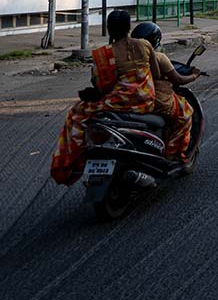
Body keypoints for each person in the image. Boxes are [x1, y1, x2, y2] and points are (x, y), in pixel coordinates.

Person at [50, 10, 158, 185]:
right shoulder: (144, 45)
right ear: (129, 27)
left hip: (119, 103)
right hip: (146, 101)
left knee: (77, 112)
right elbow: (156, 72)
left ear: (108, 29)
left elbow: (101, 86)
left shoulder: (103, 54)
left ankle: (69, 164)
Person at [131, 22, 199, 162]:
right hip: (158, 100)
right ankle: (172, 152)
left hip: (131, 99)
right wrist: (194, 76)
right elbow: (178, 79)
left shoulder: (126, 58)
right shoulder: (159, 57)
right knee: (186, 115)